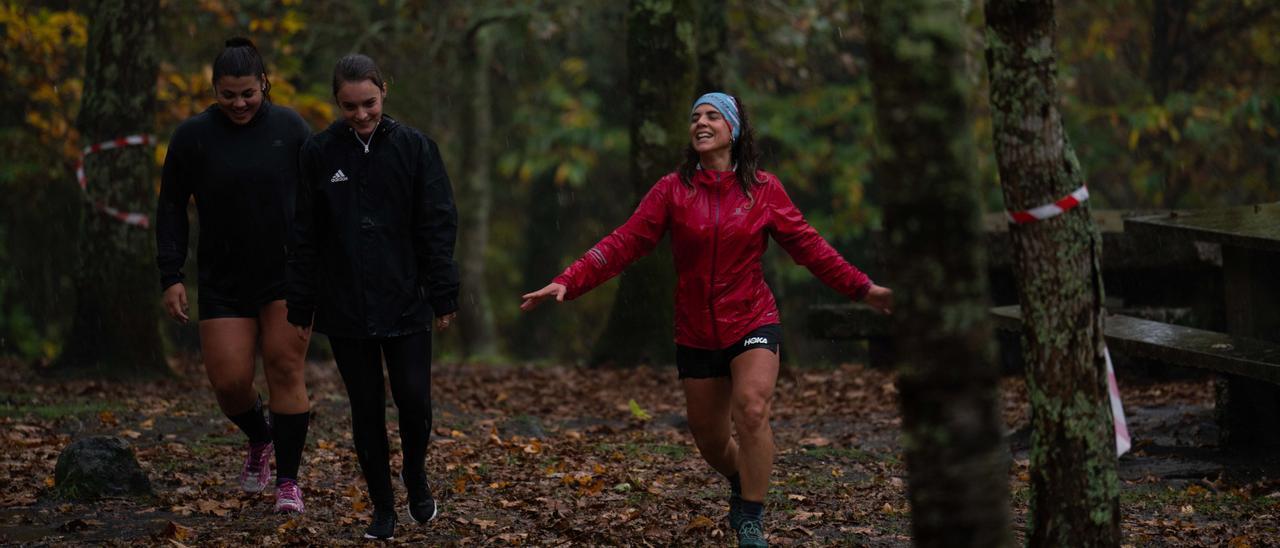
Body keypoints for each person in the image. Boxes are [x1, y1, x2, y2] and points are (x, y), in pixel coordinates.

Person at [521, 92, 893, 547]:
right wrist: (568, 280)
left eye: (713, 116)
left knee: (753, 408)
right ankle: (741, 478)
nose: (701, 122)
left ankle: (752, 518)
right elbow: (624, 242)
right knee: (711, 441)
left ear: (733, 130)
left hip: (752, 318)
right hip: (696, 330)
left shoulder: (764, 190)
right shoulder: (673, 191)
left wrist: (863, 289)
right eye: (695, 115)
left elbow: (811, 248)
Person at [286, 53, 459, 541]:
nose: (361, 115)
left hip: (405, 298)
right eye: (349, 106)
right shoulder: (319, 154)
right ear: (336, 103)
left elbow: (438, 222)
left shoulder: (416, 149)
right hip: (345, 305)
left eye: (369, 103)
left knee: (413, 399)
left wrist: (443, 291)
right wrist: (301, 303)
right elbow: (305, 233)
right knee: (365, 407)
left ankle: (416, 477)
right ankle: (382, 505)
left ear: (385, 91)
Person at [156, 37, 313, 514]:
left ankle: (287, 481)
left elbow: (318, 200)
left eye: (248, 93)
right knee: (229, 383)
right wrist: (171, 273)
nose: (240, 104)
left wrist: (320, 264)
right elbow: (170, 207)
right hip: (223, 277)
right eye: (229, 95)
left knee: (286, 369)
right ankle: (260, 439)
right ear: (214, 90)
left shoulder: (290, 127)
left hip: (285, 273)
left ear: (264, 84)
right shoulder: (193, 136)